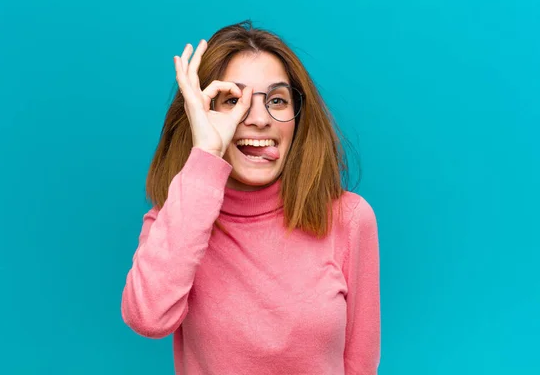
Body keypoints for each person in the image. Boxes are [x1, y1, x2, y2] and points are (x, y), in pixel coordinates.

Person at [121, 20, 381, 375]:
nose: (259, 119)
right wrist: (207, 155)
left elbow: (360, 363)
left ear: (298, 118)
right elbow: (148, 318)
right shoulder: (174, 221)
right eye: (232, 100)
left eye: (276, 99)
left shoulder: (348, 219)